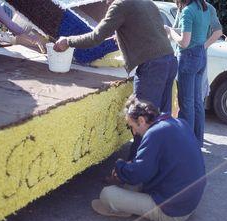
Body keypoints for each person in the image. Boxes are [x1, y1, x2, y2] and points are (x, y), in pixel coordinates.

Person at [53, 0, 177, 160]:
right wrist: (121, 35)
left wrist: (68, 41)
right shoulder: (147, 2)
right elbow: (149, 31)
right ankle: (161, 164)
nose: (105, 2)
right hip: (169, 60)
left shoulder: (120, 5)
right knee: (161, 120)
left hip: (152, 67)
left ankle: (134, 171)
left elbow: (96, 37)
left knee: (142, 121)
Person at [91, 97, 206, 221]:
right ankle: (127, 203)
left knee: (107, 194)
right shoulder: (179, 123)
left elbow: (138, 173)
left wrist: (119, 166)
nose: (134, 132)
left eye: (132, 127)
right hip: (187, 203)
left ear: (141, 120)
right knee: (132, 173)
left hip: (172, 211)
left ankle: (122, 208)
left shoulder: (154, 133)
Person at [165, 0, 210, 147]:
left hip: (188, 57)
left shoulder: (187, 11)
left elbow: (184, 42)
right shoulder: (204, 7)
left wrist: (170, 31)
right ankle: (197, 142)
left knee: (186, 103)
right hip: (201, 55)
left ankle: (186, 145)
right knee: (197, 101)